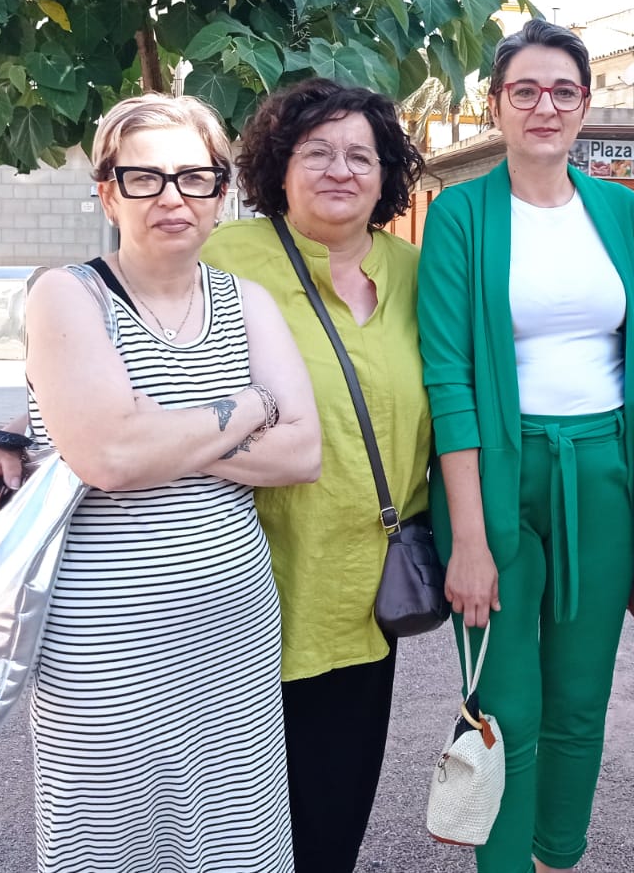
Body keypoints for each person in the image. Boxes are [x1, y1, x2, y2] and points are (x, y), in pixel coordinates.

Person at [0, 93, 321, 873]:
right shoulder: (67, 294)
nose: (172, 196)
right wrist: (249, 407)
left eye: (195, 177)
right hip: (104, 637)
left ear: (221, 191)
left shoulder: (245, 301)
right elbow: (111, 460)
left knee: (232, 833)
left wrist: (160, 428)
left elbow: (301, 452)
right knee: (108, 834)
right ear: (106, 191)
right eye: (144, 178)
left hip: (232, 628)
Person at [416, 18, 634, 873]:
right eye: (525, 91)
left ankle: (559, 858)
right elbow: (450, 379)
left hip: (604, 473)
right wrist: (470, 541)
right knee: (504, 701)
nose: (544, 106)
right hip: (495, 479)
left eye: (562, 91)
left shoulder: (620, 210)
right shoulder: (460, 216)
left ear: (585, 104)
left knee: (583, 699)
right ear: (497, 105)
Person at [197, 78, 431, 873]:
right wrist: (24, 433)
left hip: (370, 587)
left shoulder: (415, 273)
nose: (340, 169)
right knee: (235, 811)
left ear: (386, 172)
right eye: (317, 152)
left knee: (334, 806)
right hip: (249, 579)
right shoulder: (226, 259)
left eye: (360, 154)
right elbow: (120, 342)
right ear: (278, 167)